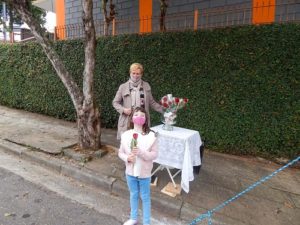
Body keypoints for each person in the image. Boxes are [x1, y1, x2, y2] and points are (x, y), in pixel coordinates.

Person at [118, 107, 158, 225]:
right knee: (133, 194)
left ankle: (146, 222)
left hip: (144, 172)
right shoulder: (126, 135)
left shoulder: (151, 136)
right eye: (136, 114)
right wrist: (127, 158)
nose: (139, 117)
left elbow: (154, 155)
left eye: (142, 115)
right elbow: (120, 152)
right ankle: (133, 218)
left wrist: (141, 153)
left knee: (145, 197)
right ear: (131, 119)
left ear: (145, 119)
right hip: (130, 172)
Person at [113, 63, 163, 139]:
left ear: (141, 74)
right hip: (127, 122)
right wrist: (123, 110)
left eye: (138, 74)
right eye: (133, 73)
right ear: (130, 73)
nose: (135, 76)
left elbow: (152, 102)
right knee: (127, 144)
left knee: (142, 144)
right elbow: (115, 102)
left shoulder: (146, 85)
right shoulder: (123, 87)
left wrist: (166, 111)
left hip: (142, 121)